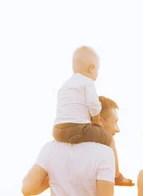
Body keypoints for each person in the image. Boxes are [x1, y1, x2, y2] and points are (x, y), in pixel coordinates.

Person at [52, 46, 133, 186]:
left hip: (58, 131)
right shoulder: (87, 82)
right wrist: (96, 120)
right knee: (109, 138)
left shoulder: (64, 86)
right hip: (78, 129)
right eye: (98, 70)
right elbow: (93, 104)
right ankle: (117, 176)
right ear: (92, 68)